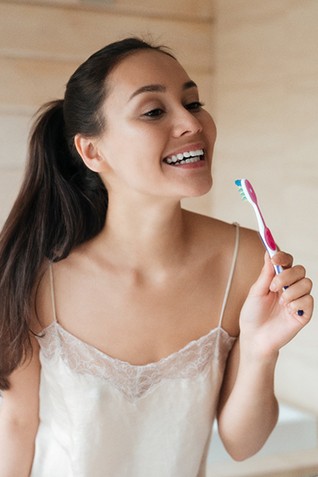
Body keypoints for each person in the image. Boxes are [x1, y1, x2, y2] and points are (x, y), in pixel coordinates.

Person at [0, 37, 313, 477]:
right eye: (153, 111)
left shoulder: (244, 261)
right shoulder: (35, 277)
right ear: (92, 151)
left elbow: (243, 444)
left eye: (194, 102)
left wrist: (262, 349)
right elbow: (16, 425)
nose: (192, 122)